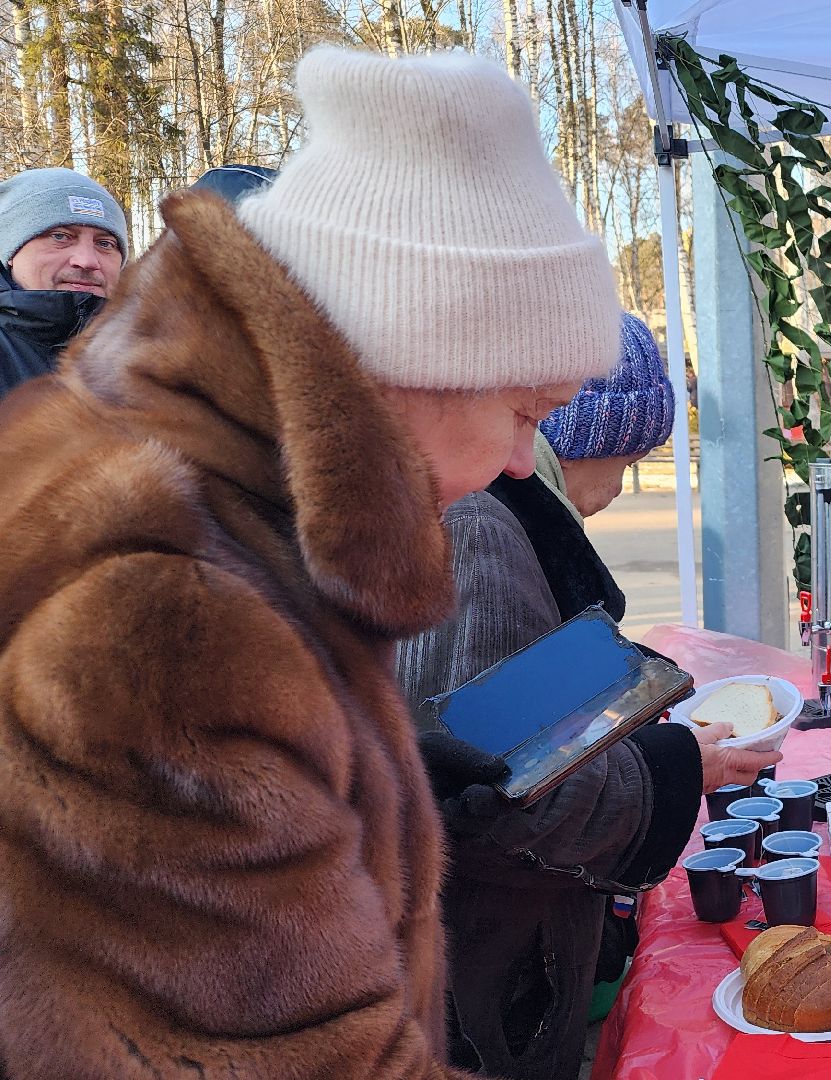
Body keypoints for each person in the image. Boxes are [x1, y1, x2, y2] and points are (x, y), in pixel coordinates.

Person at [0, 46, 626, 1078]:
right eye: (524, 413)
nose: (524, 462)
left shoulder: (232, 499)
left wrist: (368, 776)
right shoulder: (167, 616)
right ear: (410, 365)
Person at [394, 312, 770, 1079]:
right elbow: (502, 789)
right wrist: (669, 767)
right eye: (529, 417)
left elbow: (512, 722)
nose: (619, 487)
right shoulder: (475, 530)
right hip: (480, 993)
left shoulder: (497, 516)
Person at [0, 166, 128, 397]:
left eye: (105, 243)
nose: (87, 261)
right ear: (10, 252)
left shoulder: (153, 359)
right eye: (60, 237)